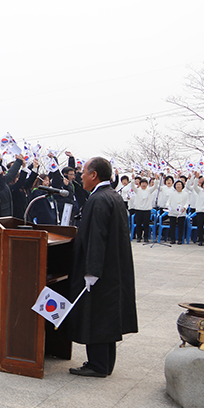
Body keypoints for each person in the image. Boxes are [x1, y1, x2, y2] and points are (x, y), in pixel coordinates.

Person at [66, 157, 138, 378]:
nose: (81, 176)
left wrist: (91, 270)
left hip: (100, 270)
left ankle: (97, 364)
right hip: (112, 268)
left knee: (96, 314)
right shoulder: (113, 196)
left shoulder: (98, 199)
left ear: (94, 175)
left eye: (84, 172)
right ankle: (105, 363)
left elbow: (96, 238)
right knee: (107, 315)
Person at [129, 176, 156, 242]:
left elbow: (155, 186)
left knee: (146, 224)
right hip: (138, 210)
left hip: (147, 210)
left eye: (145, 183)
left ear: (147, 184)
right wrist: (133, 179)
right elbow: (132, 185)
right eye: (142, 183)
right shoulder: (137, 190)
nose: (144, 185)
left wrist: (157, 179)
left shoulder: (149, 190)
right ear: (140, 184)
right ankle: (139, 237)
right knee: (138, 224)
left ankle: (146, 237)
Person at [166, 179, 189, 244]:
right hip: (172, 212)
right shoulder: (172, 193)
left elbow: (187, 202)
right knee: (172, 226)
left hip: (181, 212)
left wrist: (184, 207)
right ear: (175, 186)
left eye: (180, 184)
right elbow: (168, 202)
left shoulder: (185, 194)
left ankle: (180, 239)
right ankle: (172, 239)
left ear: (182, 186)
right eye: (177, 184)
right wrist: (168, 206)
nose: (178, 186)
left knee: (180, 226)